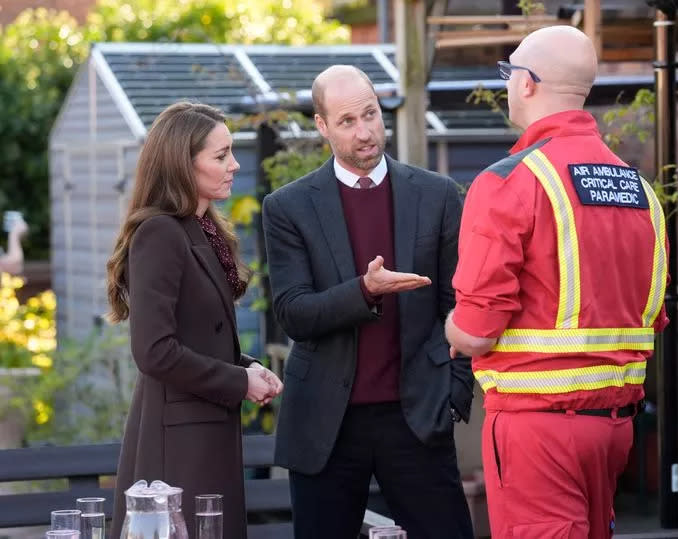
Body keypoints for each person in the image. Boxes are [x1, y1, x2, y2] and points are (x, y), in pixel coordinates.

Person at [445, 26, 670, 539]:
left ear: (527, 83)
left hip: (536, 429)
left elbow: (478, 331)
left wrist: (449, 328)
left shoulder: (507, 181)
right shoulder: (640, 191)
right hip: (614, 426)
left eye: (509, 73)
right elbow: (649, 315)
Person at [262, 65, 475, 539]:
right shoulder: (288, 207)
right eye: (347, 122)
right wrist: (366, 290)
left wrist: (454, 394)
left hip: (418, 415)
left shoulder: (436, 195)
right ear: (321, 126)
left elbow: (459, 304)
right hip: (325, 425)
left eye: (371, 115)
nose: (365, 133)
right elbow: (294, 313)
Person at [106, 102, 283, 539]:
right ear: (183, 164)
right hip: (179, 446)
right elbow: (154, 351)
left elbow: (200, 336)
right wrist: (240, 383)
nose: (234, 165)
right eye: (220, 156)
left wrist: (245, 366)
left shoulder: (200, 229)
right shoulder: (160, 233)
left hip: (205, 431)